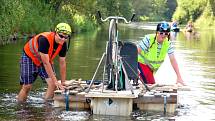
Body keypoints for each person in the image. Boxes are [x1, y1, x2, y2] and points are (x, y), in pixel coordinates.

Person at [17, 23, 72, 102]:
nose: (63, 39)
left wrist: (63, 82)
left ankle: (46, 107)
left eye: (66, 37)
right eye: (61, 36)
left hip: (45, 60)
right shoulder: (44, 39)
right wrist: (56, 81)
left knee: (53, 85)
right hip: (29, 57)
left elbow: (62, 62)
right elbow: (46, 63)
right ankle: (21, 107)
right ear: (55, 33)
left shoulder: (63, 44)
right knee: (27, 86)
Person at [137, 21, 184, 85]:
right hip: (141, 64)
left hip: (151, 68)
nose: (164, 35)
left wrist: (179, 77)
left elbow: (173, 60)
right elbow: (136, 53)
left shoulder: (168, 43)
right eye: (161, 33)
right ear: (157, 32)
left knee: (150, 84)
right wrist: (134, 68)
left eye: (166, 33)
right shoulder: (148, 39)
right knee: (151, 83)